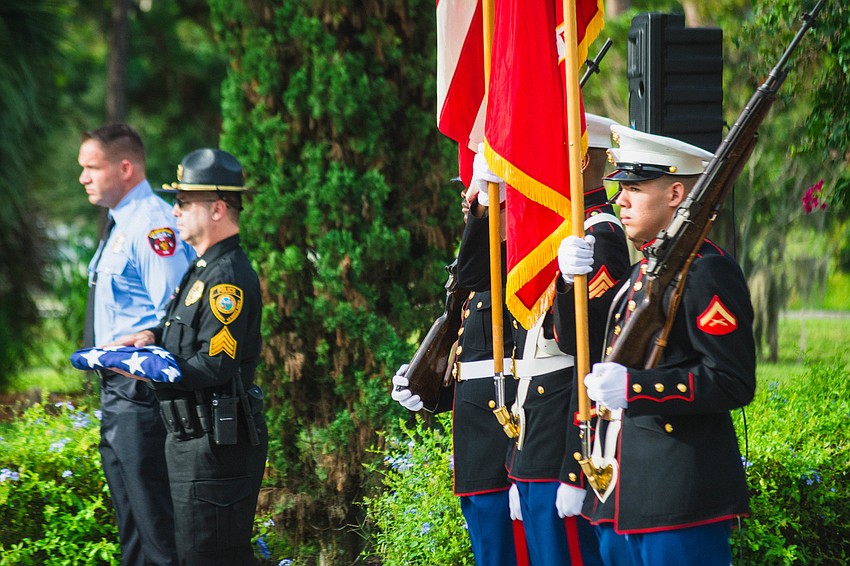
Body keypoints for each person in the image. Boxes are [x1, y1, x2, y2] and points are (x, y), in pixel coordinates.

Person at [565, 126, 756, 565]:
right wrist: (565, 282)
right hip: (621, 496)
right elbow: (579, 343)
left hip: (678, 498)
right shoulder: (640, 276)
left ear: (674, 192)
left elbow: (732, 382)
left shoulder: (706, 272)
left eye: (634, 188)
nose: (621, 201)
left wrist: (636, 389)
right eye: (620, 189)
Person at [110, 148, 268, 565]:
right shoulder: (202, 268)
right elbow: (184, 332)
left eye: (184, 202)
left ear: (218, 209)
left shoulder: (227, 278)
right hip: (192, 440)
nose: (175, 211)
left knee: (210, 556)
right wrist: (148, 337)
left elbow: (217, 364)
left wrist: (154, 372)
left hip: (216, 445)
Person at [504, 114, 630, 566]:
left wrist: (572, 468)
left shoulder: (601, 234)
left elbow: (587, 343)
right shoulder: (558, 236)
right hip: (534, 436)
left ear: (579, 163)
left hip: (565, 431)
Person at [391, 153, 526, 565]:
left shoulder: (517, 269)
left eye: (479, 199)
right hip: (478, 453)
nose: (468, 202)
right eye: (471, 198)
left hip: (505, 449)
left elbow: (525, 370)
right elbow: (477, 363)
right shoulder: (480, 276)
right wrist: (432, 391)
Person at [78, 123, 192, 565]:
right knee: (134, 527)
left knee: (157, 530)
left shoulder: (152, 225)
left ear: (125, 168)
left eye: (92, 167)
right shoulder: (121, 223)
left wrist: (152, 345)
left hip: (142, 392)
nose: (84, 178)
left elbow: (177, 311)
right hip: (118, 389)